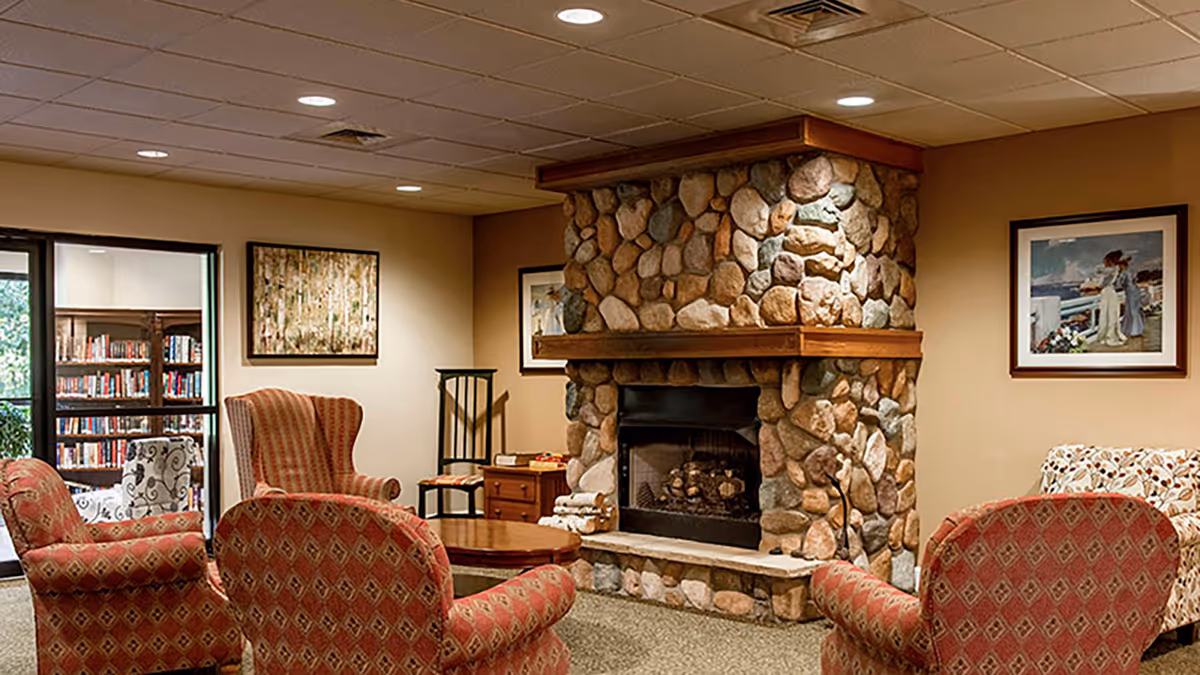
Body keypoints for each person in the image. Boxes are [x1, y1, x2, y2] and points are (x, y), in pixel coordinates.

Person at [1094, 251, 1127, 347]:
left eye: (1105, 260)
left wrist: (1099, 286)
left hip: (1108, 292)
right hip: (1108, 292)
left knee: (1110, 314)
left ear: (1109, 260)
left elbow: (1101, 281)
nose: (1104, 262)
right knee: (1108, 314)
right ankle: (1107, 335)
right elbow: (1099, 271)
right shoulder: (1112, 269)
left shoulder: (1113, 269)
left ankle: (1109, 336)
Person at [1114, 254, 1145, 337]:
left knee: (1131, 311)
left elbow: (1118, 284)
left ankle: (1133, 331)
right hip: (1136, 291)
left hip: (1130, 293)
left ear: (1122, 266)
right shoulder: (1130, 272)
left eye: (1119, 266)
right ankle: (1137, 330)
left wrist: (1117, 275)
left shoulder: (1123, 273)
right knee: (1135, 310)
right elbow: (1134, 281)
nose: (1119, 268)